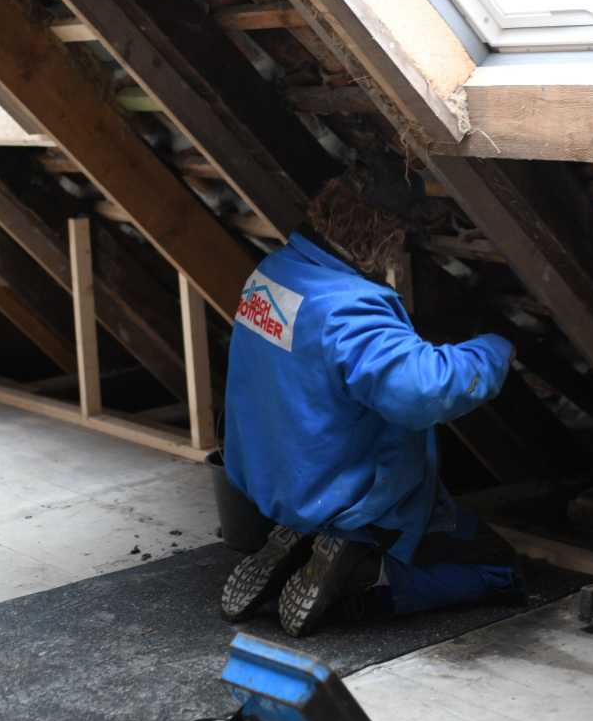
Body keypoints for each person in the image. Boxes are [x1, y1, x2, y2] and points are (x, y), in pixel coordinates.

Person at [219, 155, 528, 636]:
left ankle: (306, 534)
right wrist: (496, 348)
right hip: (347, 493)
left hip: (274, 473)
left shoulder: (274, 273)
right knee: (500, 570)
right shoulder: (347, 308)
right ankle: (366, 571)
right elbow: (424, 391)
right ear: (392, 233)